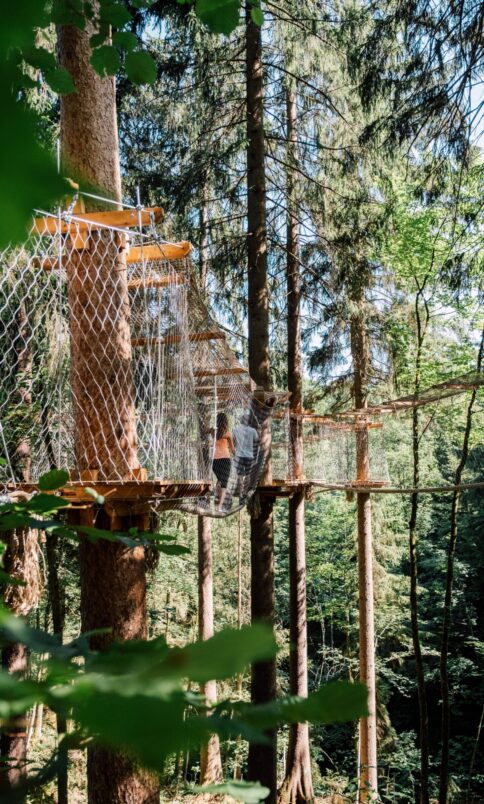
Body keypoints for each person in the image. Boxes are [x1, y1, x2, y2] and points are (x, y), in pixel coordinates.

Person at [233, 413, 259, 503]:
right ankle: (244, 493)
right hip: (249, 456)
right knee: (247, 475)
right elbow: (257, 441)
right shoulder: (252, 430)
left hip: (239, 456)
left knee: (240, 476)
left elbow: (233, 441)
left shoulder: (235, 429)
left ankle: (240, 495)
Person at [212, 412, 234, 509]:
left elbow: (204, 430)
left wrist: (206, 419)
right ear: (225, 421)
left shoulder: (213, 431)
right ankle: (220, 507)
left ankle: (217, 497)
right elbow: (233, 449)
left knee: (220, 481)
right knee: (224, 484)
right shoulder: (228, 433)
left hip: (215, 461)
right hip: (225, 460)